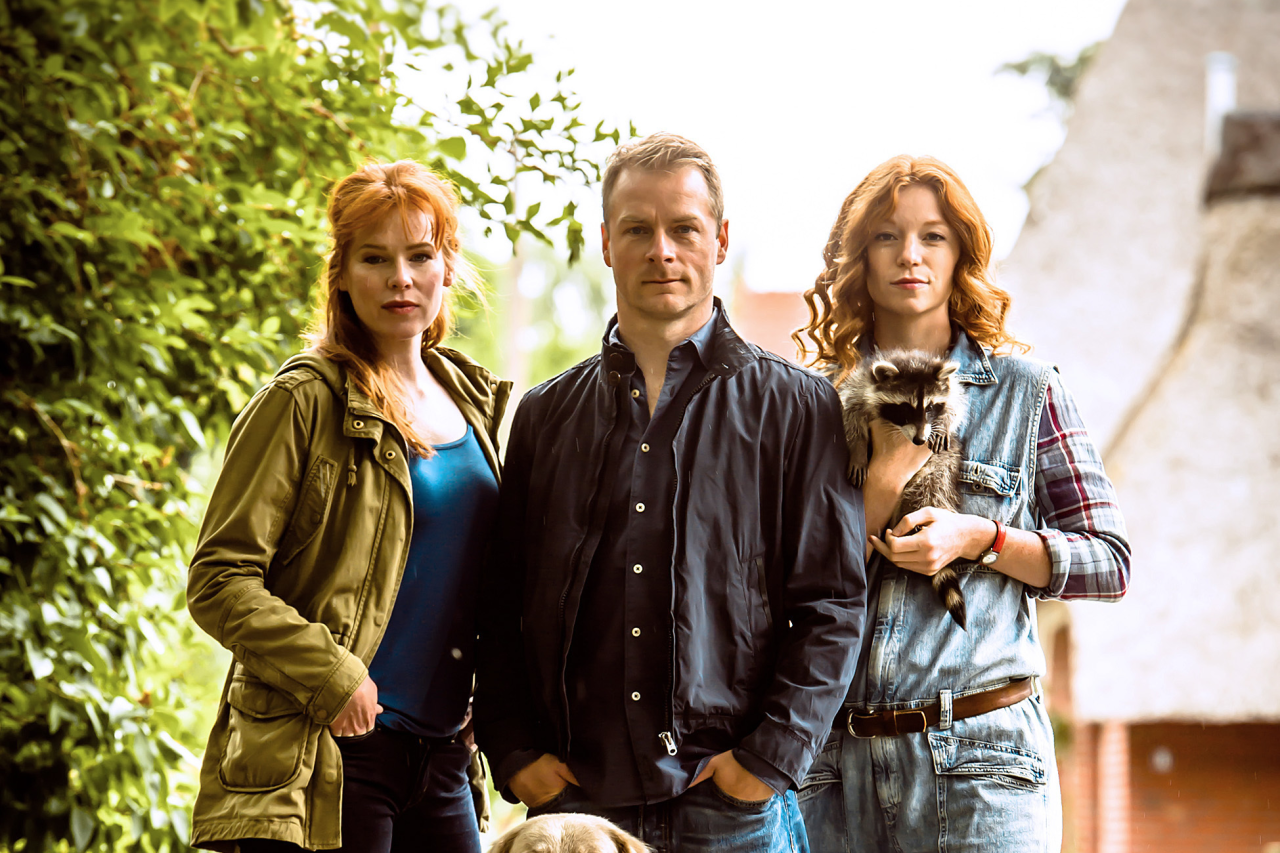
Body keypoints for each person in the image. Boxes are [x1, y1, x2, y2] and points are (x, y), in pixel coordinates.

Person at [473, 133, 868, 853]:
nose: (662, 250)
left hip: (734, 812)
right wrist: (516, 754)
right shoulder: (544, 415)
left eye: (683, 228)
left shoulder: (797, 408)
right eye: (637, 229)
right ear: (604, 242)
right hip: (578, 811)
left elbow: (833, 602)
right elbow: (501, 603)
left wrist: (765, 760)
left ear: (718, 238)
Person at [793, 155, 1131, 851]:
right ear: (858, 256)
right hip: (832, 768)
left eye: (932, 236)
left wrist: (981, 537)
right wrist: (882, 483)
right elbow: (772, 586)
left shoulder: (1026, 389)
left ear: (962, 254)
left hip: (983, 764)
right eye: (886, 236)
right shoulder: (807, 401)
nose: (909, 255)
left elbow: (1110, 562)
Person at [186, 160, 510, 853]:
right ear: (341, 273)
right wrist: (333, 676)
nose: (401, 278)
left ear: (446, 267)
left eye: (420, 255)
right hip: (332, 749)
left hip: (445, 754)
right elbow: (219, 579)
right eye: (375, 258)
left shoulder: (473, 400)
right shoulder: (303, 400)